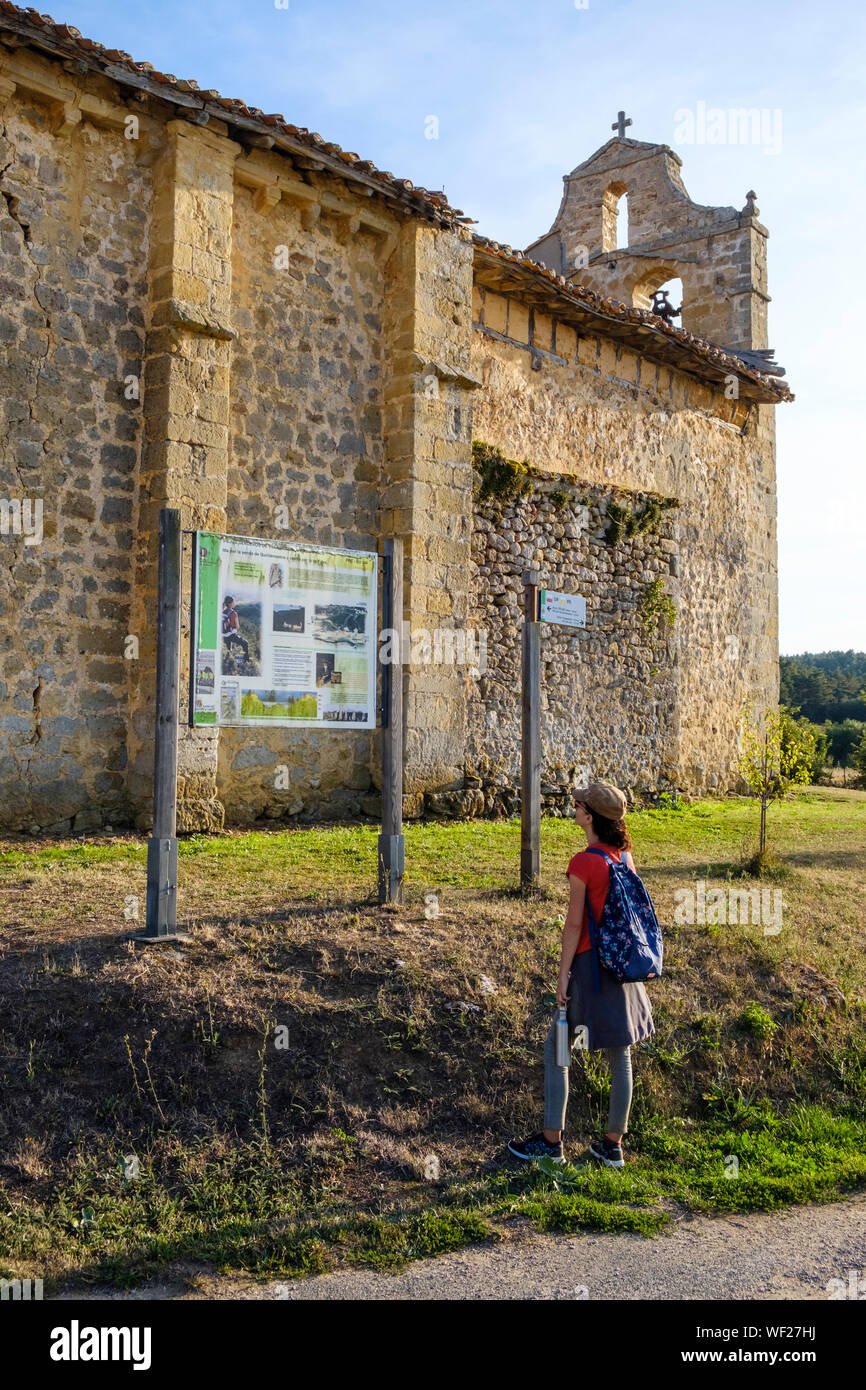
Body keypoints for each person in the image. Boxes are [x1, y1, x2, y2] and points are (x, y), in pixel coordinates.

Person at [509, 781, 655, 1169]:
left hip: (591, 971)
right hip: (623, 968)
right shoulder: (624, 856)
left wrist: (562, 977)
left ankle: (551, 1143)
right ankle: (612, 1146)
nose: (573, 809)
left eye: (577, 805)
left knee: (557, 1049)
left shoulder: (584, 863)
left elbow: (573, 926)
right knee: (620, 1054)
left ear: (589, 816)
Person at [221, 596, 249, 660]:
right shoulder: (233, 613)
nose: (234, 603)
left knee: (228, 649)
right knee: (245, 643)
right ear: (230, 604)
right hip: (231, 635)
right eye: (233, 602)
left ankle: (228, 660)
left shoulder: (222, 612)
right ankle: (246, 660)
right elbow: (237, 627)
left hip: (223, 635)